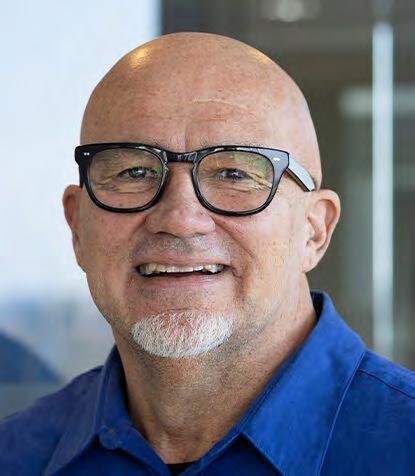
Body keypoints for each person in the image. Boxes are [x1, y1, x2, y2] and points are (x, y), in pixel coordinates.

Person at [0, 32, 414, 476]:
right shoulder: (15, 457)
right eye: (134, 171)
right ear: (77, 226)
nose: (180, 218)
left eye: (235, 173)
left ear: (314, 230)